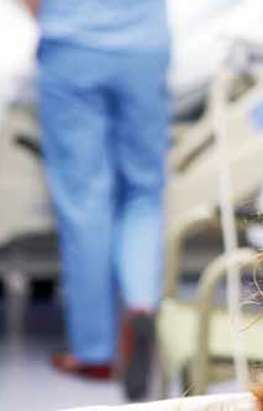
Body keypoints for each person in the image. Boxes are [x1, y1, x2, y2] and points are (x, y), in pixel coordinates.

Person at [23, 0, 171, 401]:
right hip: (144, 48)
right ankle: (141, 307)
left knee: (85, 201)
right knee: (143, 193)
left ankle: (95, 352)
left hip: (73, 47)